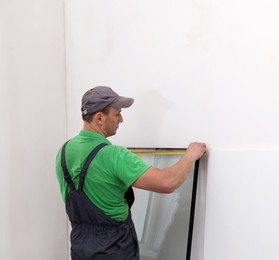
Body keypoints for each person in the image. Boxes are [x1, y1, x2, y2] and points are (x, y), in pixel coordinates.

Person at [55, 86, 207, 260]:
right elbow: (167, 182)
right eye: (117, 113)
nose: (121, 119)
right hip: (115, 249)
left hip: (80, 249)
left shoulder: (64, 152)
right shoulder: (114, 155)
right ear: (99, 118)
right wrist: (190, 156)